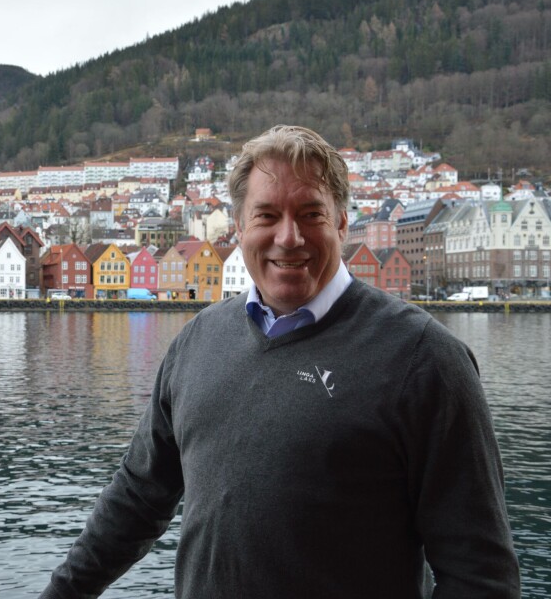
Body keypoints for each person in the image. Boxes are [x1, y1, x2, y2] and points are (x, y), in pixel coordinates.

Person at [39, 125, 520, 598]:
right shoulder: (197, 343)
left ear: (342, 223)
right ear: (241, 228)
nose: (289, 237)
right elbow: (138, 497)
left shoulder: (424, 359)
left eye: (311, 213)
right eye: (267, 215)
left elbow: (480, 575)